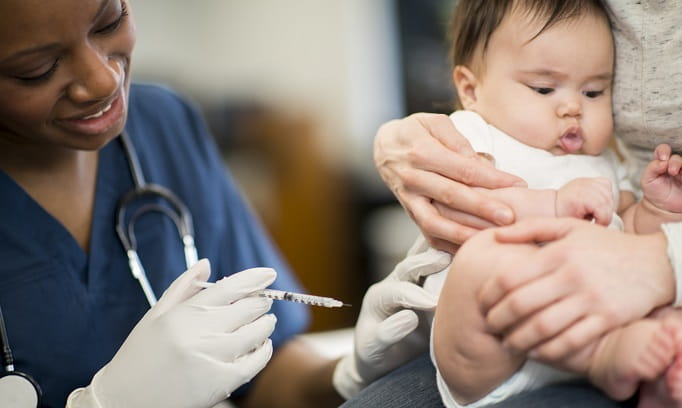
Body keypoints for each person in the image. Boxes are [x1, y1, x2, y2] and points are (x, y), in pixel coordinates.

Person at [0, 1, 446, 407]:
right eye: (36, 68)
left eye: (110, 22)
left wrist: (350, 373)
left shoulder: (163, 125)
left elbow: (266, 377)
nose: (103, 80)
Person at [358, 1, 682, 407]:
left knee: (665, 309)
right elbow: (472, 206)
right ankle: (603, 358)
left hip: (596, 314)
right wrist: (556, 204)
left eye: (594, 91)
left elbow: (628, 232)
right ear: (471, 90)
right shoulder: (475, 137)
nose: (572, 107)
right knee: (484, 259)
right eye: (544, 89)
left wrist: (658, 211)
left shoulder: (605, 162)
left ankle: (648, 369)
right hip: (494, 347)